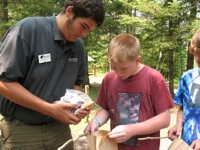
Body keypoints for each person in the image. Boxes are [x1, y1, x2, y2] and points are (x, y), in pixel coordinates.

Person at [0, 0, 105, 149]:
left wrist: (76, 107)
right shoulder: (29, 29)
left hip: (60, 130)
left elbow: (77, 83)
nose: (84, 34)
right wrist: (49, 109)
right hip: (22, 131)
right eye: (84, 26)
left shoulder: (78, 46)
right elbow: (3, 83)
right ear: (70, 11)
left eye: (89, 31)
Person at [84, 33, 174, 150]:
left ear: (137, 60)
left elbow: (165, 119)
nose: (119, 73)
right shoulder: (109, 79)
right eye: (114, 67)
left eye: (124, 68)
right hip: (116, 147)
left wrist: (132, 130)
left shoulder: (153, 78)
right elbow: (106, 109)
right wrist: (96, 121)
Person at [168, 29, 200, 150]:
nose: (197, 57)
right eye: (195, 52)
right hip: (186, 145)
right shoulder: (187, 77)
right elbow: (183, 108)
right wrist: (178, 125)